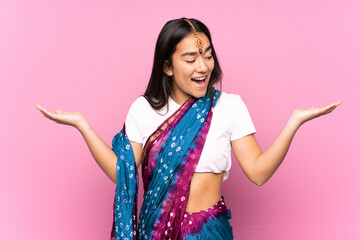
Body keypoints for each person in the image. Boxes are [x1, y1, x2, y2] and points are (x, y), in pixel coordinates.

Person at [36, 18, 341, 240]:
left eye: (207, 55)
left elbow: (258, 173)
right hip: (157, 230)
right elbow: (123, 172)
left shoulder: (229, 106)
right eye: (191, 58)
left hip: (210, 230)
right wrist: (82, 125)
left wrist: (293, 123)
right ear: (167, 66)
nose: (203, 67)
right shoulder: (144, 110)